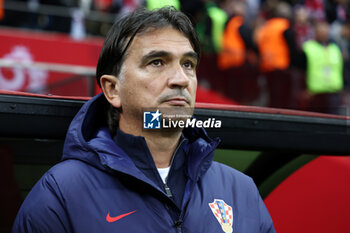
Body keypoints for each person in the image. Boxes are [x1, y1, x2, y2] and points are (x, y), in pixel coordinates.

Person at [12, 7, 275, 233]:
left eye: (188, 64)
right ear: (112, 90)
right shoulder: (60, 194)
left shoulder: (242, 191)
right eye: (157, 62)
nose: (181, 79)